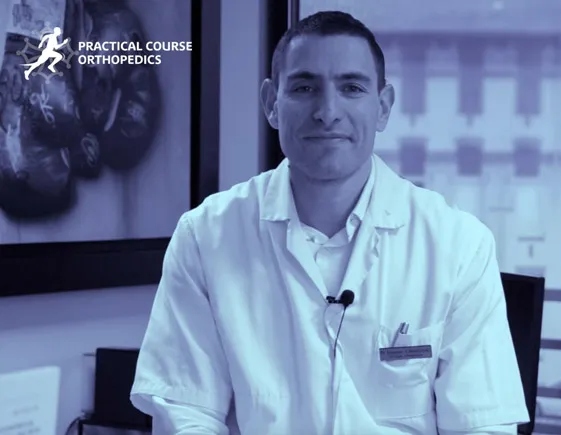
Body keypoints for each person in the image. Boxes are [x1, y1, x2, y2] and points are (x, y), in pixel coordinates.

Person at [130, 10, 529, 435]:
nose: (327, 111)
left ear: (382, 108)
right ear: (271, 103)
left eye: (351, 88)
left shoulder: (458, 244)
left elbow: (482, 426)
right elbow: (187, 411)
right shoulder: (206, 236)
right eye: (304, 88)